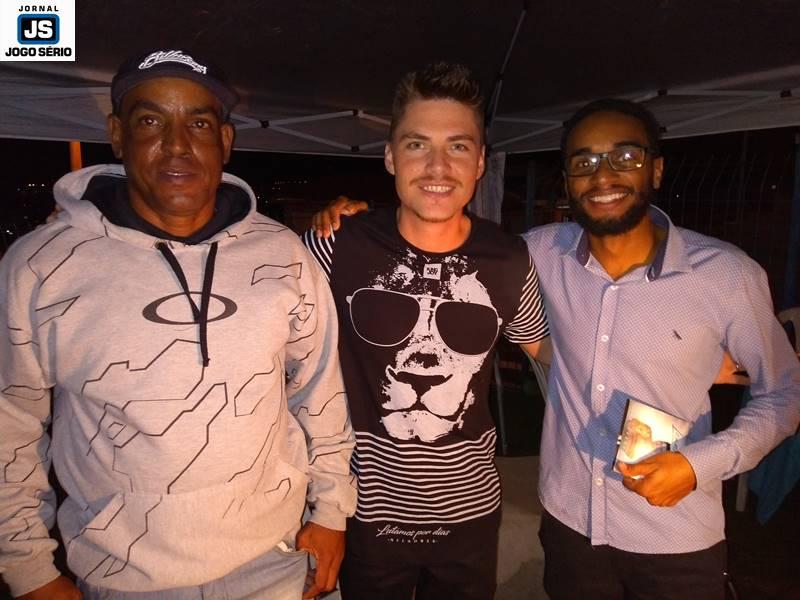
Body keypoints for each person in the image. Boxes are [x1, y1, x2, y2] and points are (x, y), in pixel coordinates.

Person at [313, 97, 800, 599]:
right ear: (567, 180)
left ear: (656, 168)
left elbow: (786, 394)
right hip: (570, 529)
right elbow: (464, 259)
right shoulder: (537, 253)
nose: (603, 175)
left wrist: (700, 464)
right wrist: (353, 218)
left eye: (625, 156)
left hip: (674, 531)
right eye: (584, 162)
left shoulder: (726, 275)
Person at [0, 49, 356, 600]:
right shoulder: (42, 266)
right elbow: (11, 421)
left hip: (279, 558)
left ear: (225, 142)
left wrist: (332, 511)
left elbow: (320, 390)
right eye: (150, 121)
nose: (176, 143)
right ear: (117, 136)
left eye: (199, 123)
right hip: (125, 577)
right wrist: (28, 567)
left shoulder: (283, 254)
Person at [303, 62, 549, 600]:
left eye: (458, 146)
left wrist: (659, 359)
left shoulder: (509, 258)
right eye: (417, 145)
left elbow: (544, 347)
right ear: (391, 156)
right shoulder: (336, 245)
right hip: (365, 509)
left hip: (470, 512)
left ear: (480, 162)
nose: (438, 166)